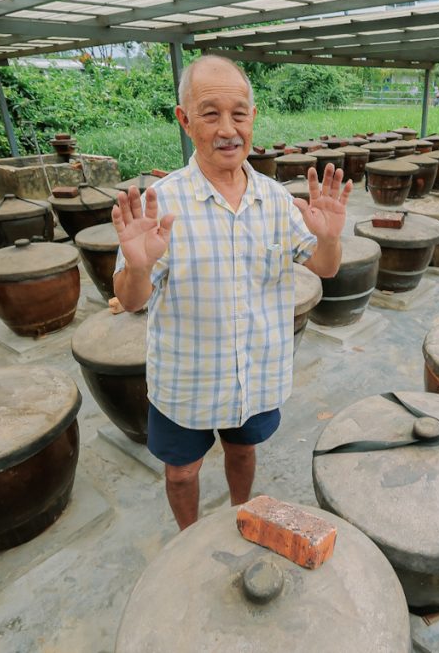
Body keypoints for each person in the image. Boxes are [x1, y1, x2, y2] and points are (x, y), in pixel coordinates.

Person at [111, 55, 349, 531]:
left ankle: (243, 515)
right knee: (181, 472)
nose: (228, 129)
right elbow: (131, 299)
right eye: (210, 113)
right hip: (186, 381)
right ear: (184, 120)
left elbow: (323, 267)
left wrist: (329, 237)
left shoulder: (277, 200)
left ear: (253, 118)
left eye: (239, 113)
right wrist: (137, 266)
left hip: (255, 374)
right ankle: (190, 540)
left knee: (243, 450)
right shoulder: (163, 203)